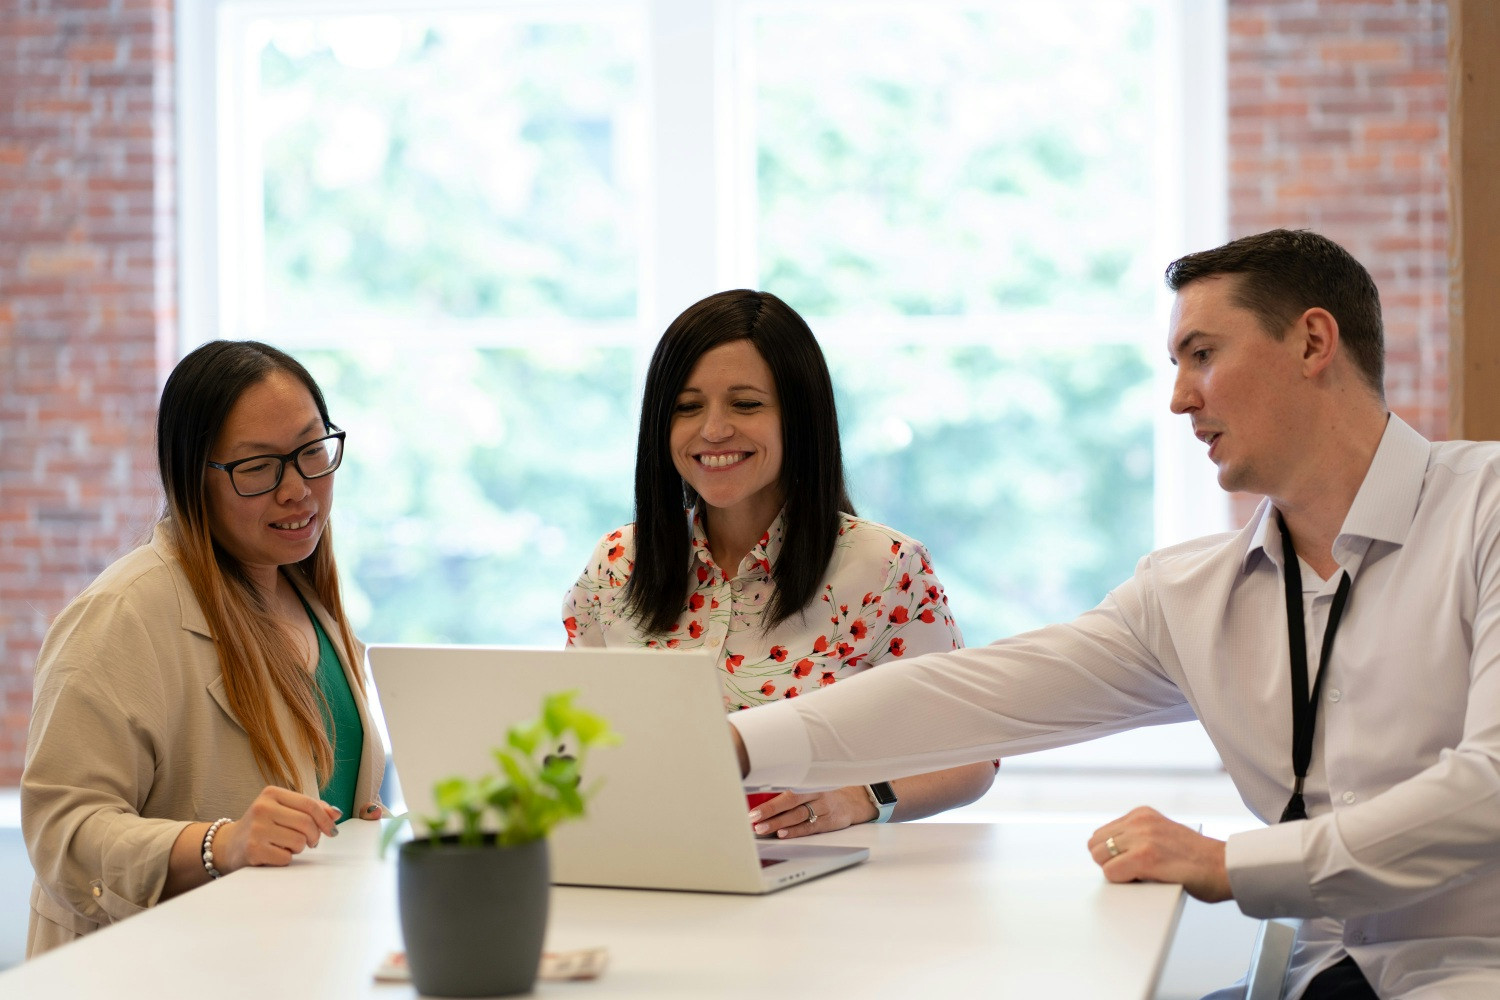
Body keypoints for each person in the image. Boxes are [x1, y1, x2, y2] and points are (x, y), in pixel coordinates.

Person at [727, 230, 1500, 999]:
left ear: (1312, 342)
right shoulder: (1190, 596)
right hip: (1313, 975)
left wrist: (1226, 866)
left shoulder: (1487, 509)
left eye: (1203, 355)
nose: (1179, 398)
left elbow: (1491, 787)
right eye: (1177, 366)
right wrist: (729, 744)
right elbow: (968, 697)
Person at [565, 288, 995, 837]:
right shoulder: (616, 565)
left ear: (800, 418)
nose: (714, 429)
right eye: (687, 407)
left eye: (746, 404)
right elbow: (572, 740)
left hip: (824, 886)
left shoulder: (886, 568)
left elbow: (970, 757)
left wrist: (859, 800)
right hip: (647, 861)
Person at [22, 340, 385, 956]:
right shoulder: (122, 614)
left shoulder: (308, 600)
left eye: (311, 451)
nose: (297, 488)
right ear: (193, 478)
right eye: (258, 467)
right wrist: (223, 844)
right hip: (156, 970)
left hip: (288, 959)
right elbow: (64, 831)